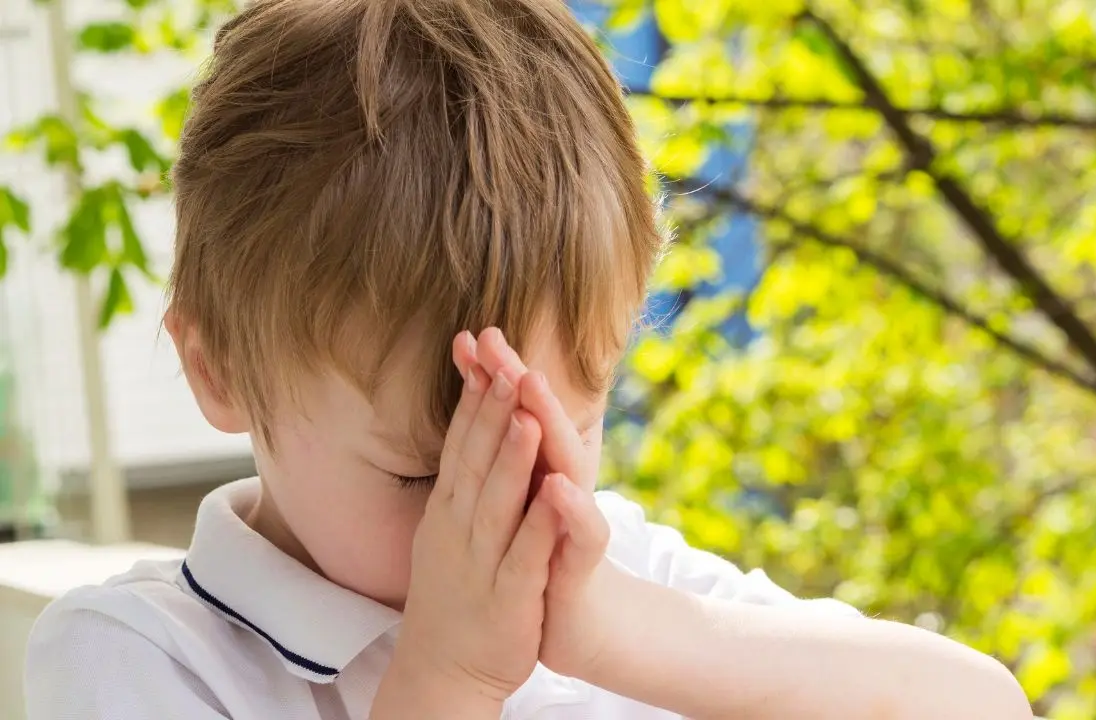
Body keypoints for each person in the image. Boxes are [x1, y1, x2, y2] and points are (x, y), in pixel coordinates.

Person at [24, 0, 1033, 717]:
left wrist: (615, 630)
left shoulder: (617, 570)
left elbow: (980, 705)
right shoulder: (138, 656)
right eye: (429, 472)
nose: (506, 508)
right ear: (221, 371)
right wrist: (448, 681)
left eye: (567, 432)